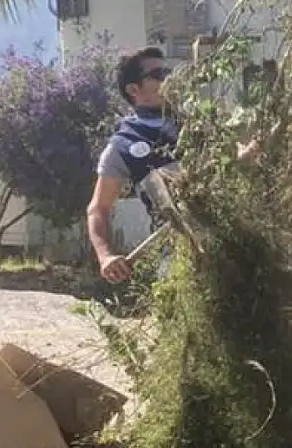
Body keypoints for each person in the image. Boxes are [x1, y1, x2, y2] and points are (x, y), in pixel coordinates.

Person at [87, 46, 260, 284]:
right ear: (133, 89)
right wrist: (105, 256)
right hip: (177, 255)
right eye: (158, 75)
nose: (169, 78)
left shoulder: (196, 124)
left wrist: (245, 157)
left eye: (168, 71)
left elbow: (227, 171)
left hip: (229, 240)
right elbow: (98, 209)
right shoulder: (123, 145)